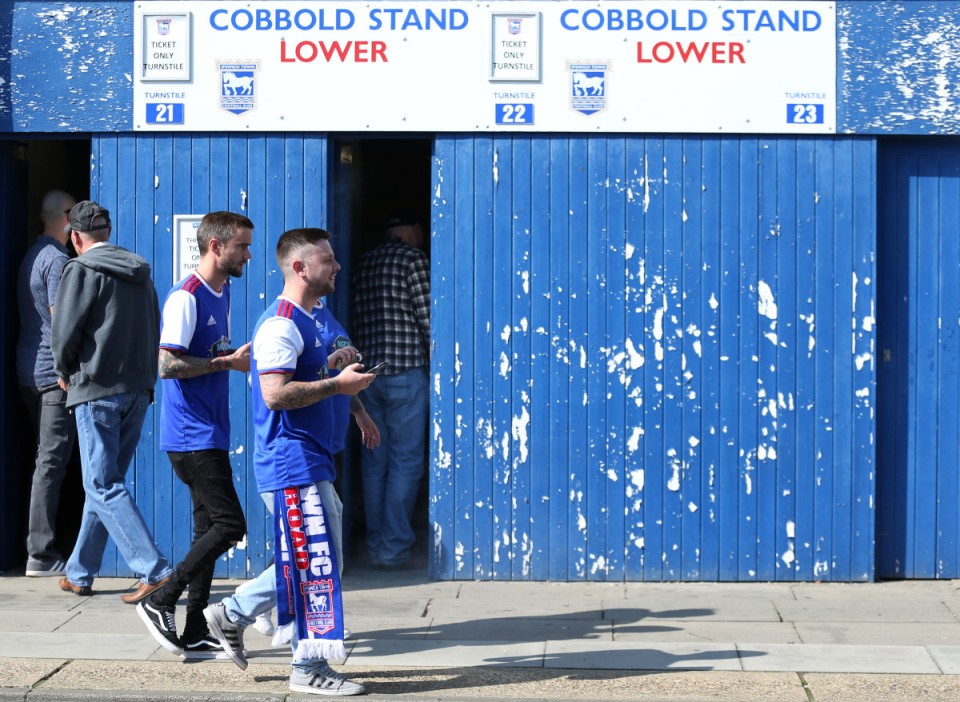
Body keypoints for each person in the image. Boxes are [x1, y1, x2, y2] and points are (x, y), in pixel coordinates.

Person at [209, 228, 373, 695]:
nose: (336, 266)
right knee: (316, 563)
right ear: (300, 268)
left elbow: (325, 369)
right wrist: (338, 386)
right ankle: (306, 667)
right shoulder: (280, 324)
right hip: (291, 461)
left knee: (315, 561)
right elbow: (275, 394)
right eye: (327, 260)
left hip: (311, 459)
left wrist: (353, 400)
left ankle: (233, 613)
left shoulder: (314, 316)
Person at [135, 212, 253, 658]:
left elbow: (211, 354)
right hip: (190, 435)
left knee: (208, 528)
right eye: (242, 246)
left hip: (209, 431)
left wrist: (233, 358)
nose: (248, 254)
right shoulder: (186, 296)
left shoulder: (222, 291)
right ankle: (162, 598)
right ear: (216, 247)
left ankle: (195, 629)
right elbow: (167, 365)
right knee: (230, 525)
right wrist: (226, 363)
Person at [51, 200, 173, 600]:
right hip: (137, 390)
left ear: (75, 237)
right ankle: (79, 571)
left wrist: (64, 370)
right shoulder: (140, 272)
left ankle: (154, 569)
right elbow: (155, 326)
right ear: (107, 231)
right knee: (105, 482)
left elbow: (64, 332)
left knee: (102, 483)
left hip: (97, 389)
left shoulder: (80, 269)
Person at [352, 211, 430, 569]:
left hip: (368, 377)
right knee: (405, 462)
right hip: (405, 373)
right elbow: (428, 320)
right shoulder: (413, 260)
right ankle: (394, 547)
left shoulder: (364, 263)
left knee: (375, 462)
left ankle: (375, 544)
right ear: (413, 229)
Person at [17, 189, 78, 577]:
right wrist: (68, 368)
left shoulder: (31, 255)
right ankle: (40, 554)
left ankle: (42, 545)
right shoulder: (57, 260)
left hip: (27, 371)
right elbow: (61, 320)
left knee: (45, 460)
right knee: (52, 463)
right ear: (69, 217)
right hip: (52, 377)